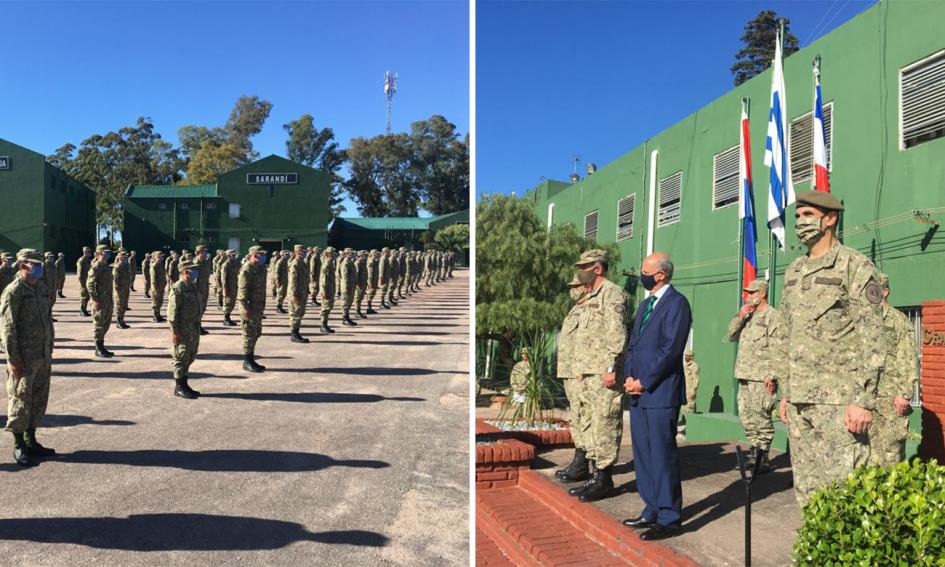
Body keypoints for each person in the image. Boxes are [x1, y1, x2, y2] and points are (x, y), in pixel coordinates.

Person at [778, 191, 885, 506]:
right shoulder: (794, 271)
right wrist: (786, 391)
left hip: (839, 403)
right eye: (797, 216)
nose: (800, 223)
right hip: (799, 400)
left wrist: (863, 401)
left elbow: (873, 337)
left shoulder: (855, 266)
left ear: (831, 218)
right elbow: (786, 334)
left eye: (807, 214)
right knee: (807, 493)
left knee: (844, 494)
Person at [622, 252, 691, 541]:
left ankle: (669, 516)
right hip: (637, 392)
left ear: (661, 274)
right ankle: (651, 507)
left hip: (660, 392)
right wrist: (628, 376)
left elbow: (670, 350)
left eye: (645, 270)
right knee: (644, 454)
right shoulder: (646, 304)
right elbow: (633, 345)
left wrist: (644, 381)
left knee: (662, 455)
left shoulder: (677, 304)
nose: (642, 274)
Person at [561, 249, 628, 503]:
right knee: (591, 423)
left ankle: (604, 479)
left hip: (603, 374)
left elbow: (616, 335)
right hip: (587, 373)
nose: (580, 271)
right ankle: (594, 476)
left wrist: (611, 368)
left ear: (597, 268)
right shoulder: (591, 298)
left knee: (605, 424)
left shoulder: (611, 294)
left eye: (584, 266)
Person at [1, 249, 56, 466]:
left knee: (38, 399)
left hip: (42, 355)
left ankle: (31, 440)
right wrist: (13, 358)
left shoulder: (40, 288)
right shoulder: (13, 291)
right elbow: (7, 328)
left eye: (39, 264)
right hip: (23, 358)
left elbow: (48, 320)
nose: (38, 268)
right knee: (20, 400)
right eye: (34, 264)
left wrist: (49, 346)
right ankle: (18, 445)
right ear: (22, 265)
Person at [726, 279, 784, 474]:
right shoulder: (748, 316)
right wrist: (740, 316)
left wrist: (773, 375)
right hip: (744, 375)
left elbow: (779, 349)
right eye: (747, 293)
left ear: (762, 293)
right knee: (747, 417)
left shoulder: (773, 317)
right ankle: (754, 453)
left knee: (762, 419)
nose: (748, 296)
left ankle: (762, 457)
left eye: (752, 293)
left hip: (762, 378)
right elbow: (731, 335)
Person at [870, 273, 919, 466]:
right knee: (867, 455)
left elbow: (909, 358)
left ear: (886, 291)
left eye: (875, 289)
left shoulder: (898, 321)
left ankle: (892, 494)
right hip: (868, 399)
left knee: (892, 455)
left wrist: (905, 394)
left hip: (891, 399)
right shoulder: (864, 323)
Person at [555, 276, 592, 483]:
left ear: (586, 287)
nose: (572, 290)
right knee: (575, 418)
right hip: (569, 372)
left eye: (575, 286)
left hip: (580, 373)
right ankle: (579, 461)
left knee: (583, 417)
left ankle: (585, 463)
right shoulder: (576, 309)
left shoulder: (589, 309)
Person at [167, 259, 202, 399]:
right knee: (180, 357)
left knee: (190, 355)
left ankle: (185, 384)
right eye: (193, 270)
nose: (196, 272)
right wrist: (175, 332)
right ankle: (179, 386)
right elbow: (172, 313)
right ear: (185, 271)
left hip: (193, 326)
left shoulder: (192, 286)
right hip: (182, 328)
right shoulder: (178, 288)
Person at [238, 246, 268, 373]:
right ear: (254, 255)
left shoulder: (261, 268)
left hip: (258, 306)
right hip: (249, 307)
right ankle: (247, 361)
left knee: (256, 332)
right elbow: (243, 290)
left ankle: (251, 358)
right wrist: (245, 307)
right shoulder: (247, 269)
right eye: (260, 255)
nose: (263, 257)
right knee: (249, 333)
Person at [87, 245, 115, 358]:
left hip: (107, 299)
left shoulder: (106, 266)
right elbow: (89, 284)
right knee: (99, 324)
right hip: (99, 300)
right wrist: (95, 299)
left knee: (106, 323)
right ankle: (98, 347)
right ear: (99, 253)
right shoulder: (96, 266)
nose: (108, 255)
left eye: (108, 253)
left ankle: (102, 346)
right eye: (105, 253)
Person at [287, 244, 310, 343]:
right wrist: (294, 295)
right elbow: (293, 281)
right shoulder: (295, 263)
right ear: (297, 252)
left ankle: (296, 332)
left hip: (302, 292)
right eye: (303, 252)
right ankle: (294, 334)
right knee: (295, 313)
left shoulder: (302, 263)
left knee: (300, 313)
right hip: (296, 293)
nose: (305, 254)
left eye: (305, 252)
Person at [194, 245, 212, 335]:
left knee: (202, 308)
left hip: (204, 288)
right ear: (198, 253)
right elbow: (192, 280)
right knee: (197, 309)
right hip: (197, 290)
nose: (205, 253)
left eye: (206, 251)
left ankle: (198, 325)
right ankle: (196, 327)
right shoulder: (195, 264)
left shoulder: (205, 263)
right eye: (203, 252)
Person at [319, 247, 337, 333]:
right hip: (326, 289)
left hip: (330, 288)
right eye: (332, 253)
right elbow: (323, 279)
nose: (334, 255)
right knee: (325, 307)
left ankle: (325, 325)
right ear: (327, 254)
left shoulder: (330, 263)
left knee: (328, 307)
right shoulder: (326, 263)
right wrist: (324, 291)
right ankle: (323, 325)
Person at [112, 251, 132, 329]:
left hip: (125, 288)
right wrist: (117, 291)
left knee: (123, 306)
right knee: (119, 306)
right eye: (124, 257)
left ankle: (122, 320)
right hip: (120, 290)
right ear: (120, 257)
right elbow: (115, 280)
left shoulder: (126, 266)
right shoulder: (117, 267)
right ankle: (118, 321)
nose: (125, 258)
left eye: (126, 257)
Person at [221, 249, 239, 327]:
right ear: (228, 256)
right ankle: (226, 319)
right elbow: (223, 279)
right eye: (233, 255)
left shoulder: (233, 264)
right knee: (227, 303)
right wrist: (225, 289)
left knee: (232, 303)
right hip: (228, 287)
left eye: (235, 255)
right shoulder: (225, 265)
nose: (235, 256)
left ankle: (228, 318)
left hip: (234, 286)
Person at [340, 248, 357, 326]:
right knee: (346, 302)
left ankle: (347, 317)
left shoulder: (350, 262)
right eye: (350, 253)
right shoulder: (346, 263)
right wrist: (347, 286)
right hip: (347, 285)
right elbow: (345, 276)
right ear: (346, 254)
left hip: (351, 284)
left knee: (349, 301)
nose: (352, 255)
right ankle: (345, 318)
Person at [150, 250, 167, 322]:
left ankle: (158, 314)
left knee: (160, 301)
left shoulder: (160, 265)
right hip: (156, 288)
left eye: (162, 257)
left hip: (161, 286)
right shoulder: (154, 266)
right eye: (160, 257)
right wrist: (156, 288)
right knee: (156, 302)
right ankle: (155, 315)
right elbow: (153, 279)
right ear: (156, 257)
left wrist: (164, 283)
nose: (161, 258)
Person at [77, 246, 93, 316]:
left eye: (90, 251)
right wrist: (82, 283)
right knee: (83, 296)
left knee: (87, 297)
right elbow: (79, 273)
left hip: (88, 281)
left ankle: (85, 309)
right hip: (84, 281)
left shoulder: (88, 260)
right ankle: (82, 310)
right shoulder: (81, 260)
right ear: (84, 252)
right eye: (88, 251)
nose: (89, 253)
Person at [355, 250, 369, 318]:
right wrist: (358, 283)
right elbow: (356, 274)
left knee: (360, 297)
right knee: (358, 297)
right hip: (359, 283)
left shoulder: (363, 262)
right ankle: (357, 312)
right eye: (364, 255)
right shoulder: (358, 263)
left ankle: (359, 311)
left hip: (363, 282)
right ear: (361, 255)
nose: (366, 256)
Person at [366, 249, 380, 314]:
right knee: (370, 293)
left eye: (377, 253)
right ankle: (368, 308)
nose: (376, 255)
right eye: (375, 254)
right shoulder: (371, 261)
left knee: (373, 293)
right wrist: (370, 282)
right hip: (371, 279)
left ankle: (369, 307)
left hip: (374, 279)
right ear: (372, 254)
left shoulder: (375, 260)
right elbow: (370, 272)